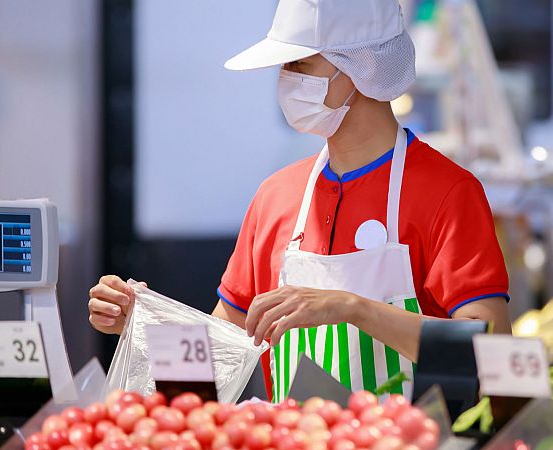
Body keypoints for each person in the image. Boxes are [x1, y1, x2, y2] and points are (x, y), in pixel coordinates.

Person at [87, 0, 511, 402]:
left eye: (299, 65)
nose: (285, 80)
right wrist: (145, 325)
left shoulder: (448, 192)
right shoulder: (277, 196)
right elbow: (222, 354)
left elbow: (491, 355)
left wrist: (353, 309)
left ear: (359, 67)